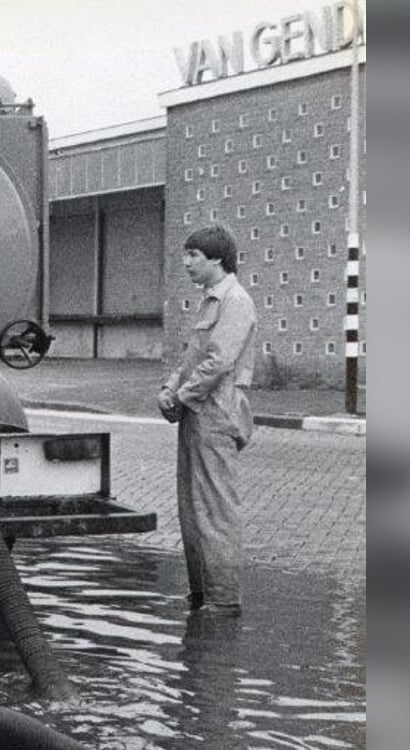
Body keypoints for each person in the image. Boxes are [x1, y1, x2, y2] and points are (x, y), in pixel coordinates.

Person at [157, 225, 257, 616]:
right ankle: (202, 593)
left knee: (214, 508)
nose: (186, 263)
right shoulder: (210, 300)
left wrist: (180, 398)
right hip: (198, 408)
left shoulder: (236, 301)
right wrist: (171, 387)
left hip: (216, 411)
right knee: (192, 507)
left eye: (193, 255)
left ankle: (223, 598)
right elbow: (192, 357)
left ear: (217, 258)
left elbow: (219, 362)